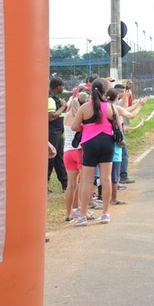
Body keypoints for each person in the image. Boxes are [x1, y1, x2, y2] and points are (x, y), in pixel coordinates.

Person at [70, 78, 118, 225]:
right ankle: (105, 214)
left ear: (91, 90)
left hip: (90, 143)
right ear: (106, 91)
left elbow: (74, 126)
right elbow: (117, 126)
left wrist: (87, 128)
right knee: (106, 178)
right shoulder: (111, 107)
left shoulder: (85, 107)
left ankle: (83, 216)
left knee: (86, 180)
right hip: (107, 142)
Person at [62, 89, 93, 223]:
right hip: (79, 151)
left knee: (71, 184)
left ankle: (69, 213)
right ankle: (83, 211)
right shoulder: (82, 116)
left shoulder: (67, 115)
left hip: (67, 152)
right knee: (83, 183)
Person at [48, 77, 68, 192]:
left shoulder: (56, 99)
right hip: (53, 133)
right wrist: (63, 107)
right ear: (58, 87)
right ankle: (44, 185)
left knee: (60, 158)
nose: (63, 88)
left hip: (59, 133)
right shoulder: (51, 100)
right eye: (62, 86)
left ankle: (65, 184)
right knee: (50, 158)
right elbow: (51, 117)